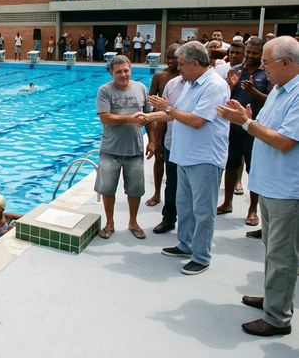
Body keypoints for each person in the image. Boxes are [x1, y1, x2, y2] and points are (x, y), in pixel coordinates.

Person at [215, 36, 299, 337]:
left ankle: (278, 318)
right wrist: (247, 118)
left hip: (287, 190)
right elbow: (269, 126)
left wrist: (246, 124)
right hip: (270, 184)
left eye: (266, 62)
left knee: (283, 254)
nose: (261, 67)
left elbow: (285, 141)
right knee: (271, 250)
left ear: (285, 63)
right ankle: (274, 297)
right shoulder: (279, 89)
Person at [145, 41, 229, 275]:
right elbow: (177, 115)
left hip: (204, 158)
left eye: (181, 64)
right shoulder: (191, 84)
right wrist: (148, 117)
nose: (177, 68)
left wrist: (169, 109)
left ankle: (201, 256)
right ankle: (186, 244)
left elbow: (196, 120)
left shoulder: (214, 86)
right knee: (185, 205)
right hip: (184, 156)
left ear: (194, 63)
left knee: (203, 211)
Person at [95, 55, 154, 240]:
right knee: (107, 189)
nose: (123, 75)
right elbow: (105, 117)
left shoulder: (141, 88)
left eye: (126, 70)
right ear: (111, 72)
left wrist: (152, 140)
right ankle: (110, 222)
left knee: (135, 190)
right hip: (110, 150)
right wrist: (130, 118)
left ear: (131, 70)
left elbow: (148, 117)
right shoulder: (104, 91)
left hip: (134, 150)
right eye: (118, 71)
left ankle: (133, 221)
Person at [216, 38, 269, 227]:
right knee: (230, 164)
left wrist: (252, 90)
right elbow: (223, 99)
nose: (250, 56)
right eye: (249, 52)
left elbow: (269, 101)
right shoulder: (236, 70)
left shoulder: (267, 73)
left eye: (255, 53)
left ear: (262, 54)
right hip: (234, 127)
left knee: (252, 169)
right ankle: (227, 202)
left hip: (254, 128)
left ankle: (252, 209)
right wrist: (230, 86)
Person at [145, 44, 181, 209]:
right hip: (161, 122)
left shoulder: (185, 76)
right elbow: (151, 100)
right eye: (168, 57)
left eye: (174, 57)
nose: (171, 61)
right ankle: (157, 193)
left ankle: (177, 194)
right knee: (159, 158)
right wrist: (151, 123)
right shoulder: (160, 75)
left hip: (179, 122)